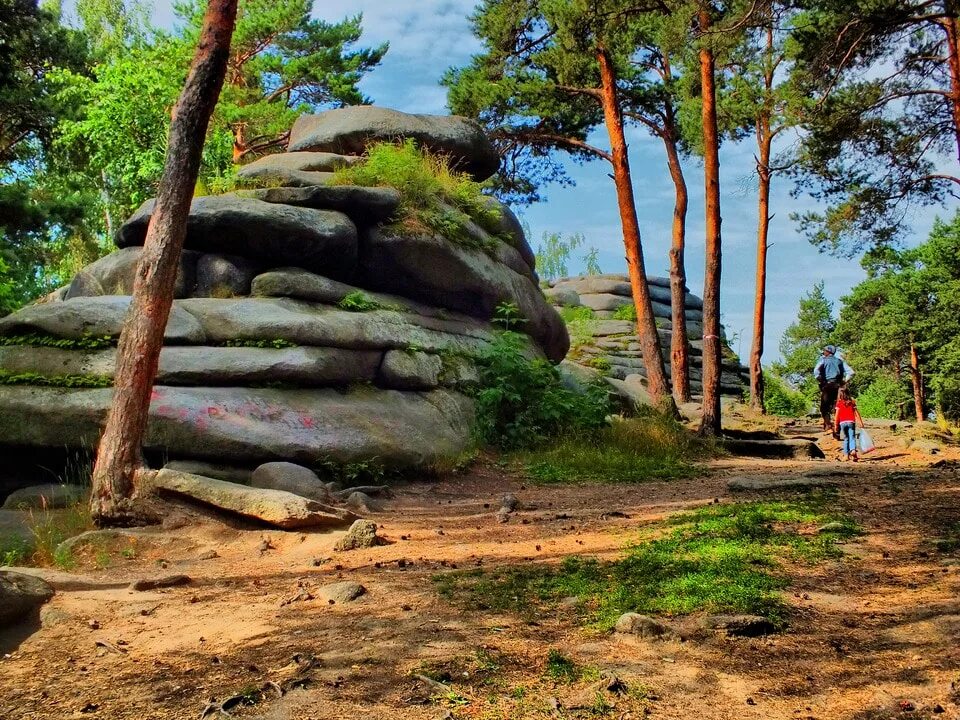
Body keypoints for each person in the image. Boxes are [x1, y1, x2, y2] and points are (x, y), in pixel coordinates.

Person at [814, 345, 852, 433]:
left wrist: (821, 380)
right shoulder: (840, 361)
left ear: (828, 352)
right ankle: (838, 426)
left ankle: (828, 425)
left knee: (824, 408)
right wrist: (845, 381)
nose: (823, 352)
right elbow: (851, 372)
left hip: (827, 386)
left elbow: (816, 372)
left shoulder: (822, 360)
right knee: (838, 407)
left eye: (824, 351)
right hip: (838, 387)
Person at [834, 386, 864, 461]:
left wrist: (836, 425)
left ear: (839, 395)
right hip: (851, 422)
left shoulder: (839, 403)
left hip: (843, 423)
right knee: (852, 437)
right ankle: (853, 450)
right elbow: (857, 413)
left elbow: (837, 415)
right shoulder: (852, 402)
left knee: (846, 438)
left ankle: (846, 456)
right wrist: (860, 422)